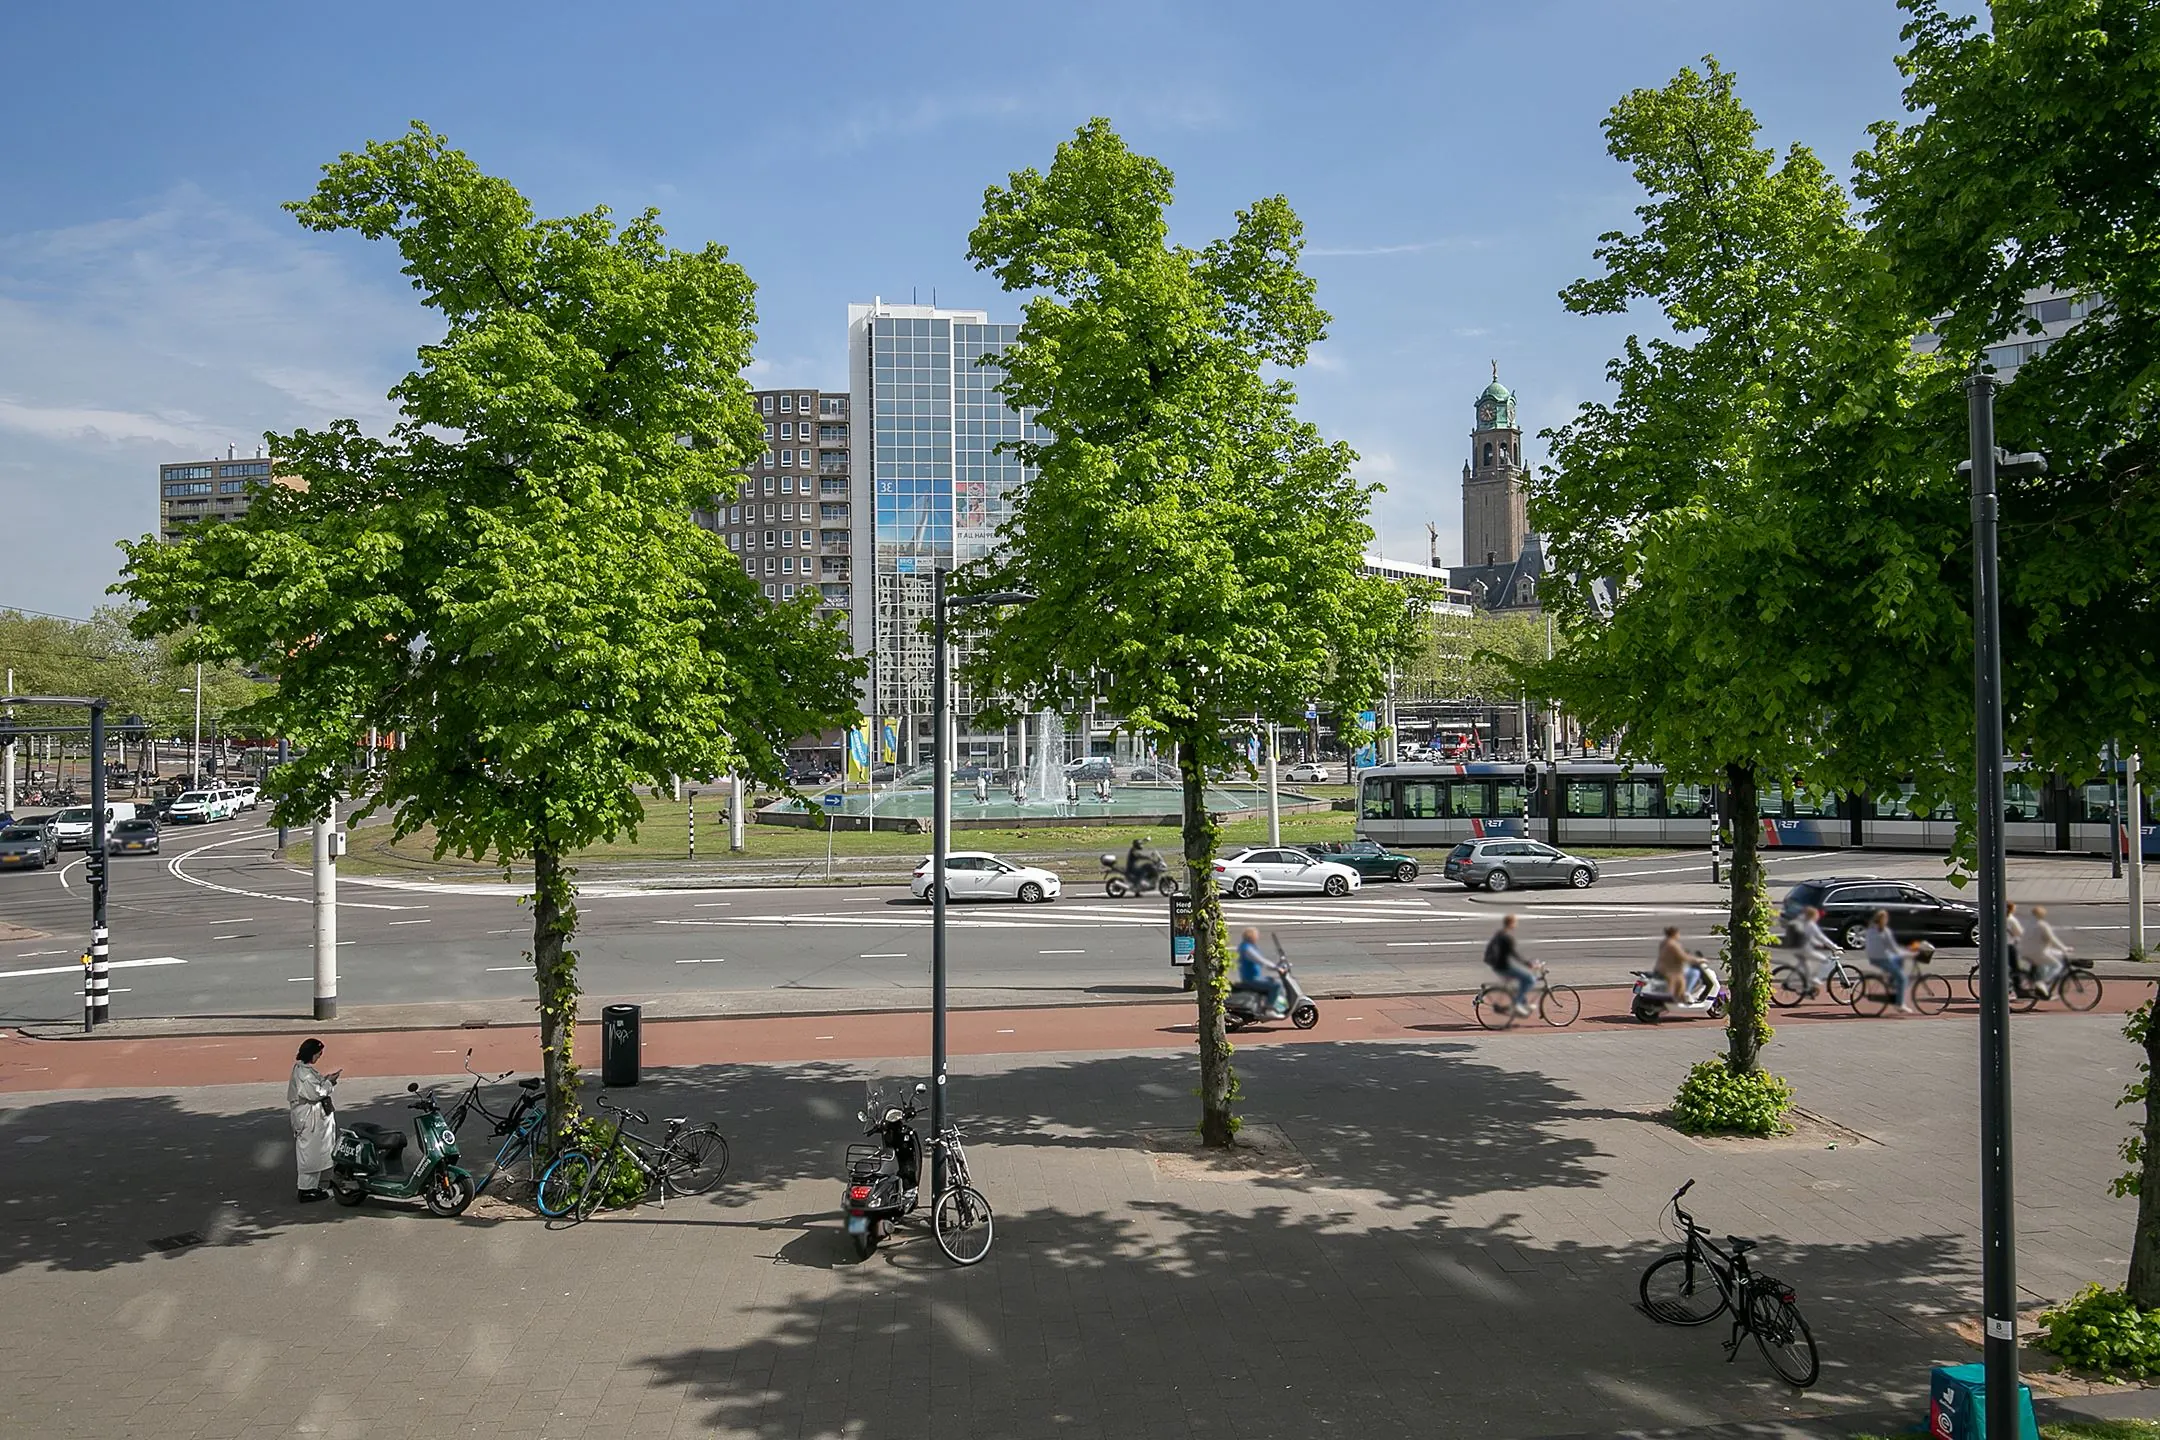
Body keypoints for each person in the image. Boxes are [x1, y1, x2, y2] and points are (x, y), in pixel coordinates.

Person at [287, 1038, 341, 1203]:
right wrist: (329, 1083)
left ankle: (314, 1185)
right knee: (310, 1153)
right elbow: (315, 1093)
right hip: (309, 1120)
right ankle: (306, 1189)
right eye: (318, 1054)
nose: (319, 1057)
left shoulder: (303, 1070)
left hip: (314, 1119)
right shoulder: (304, 1075)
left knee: (317, 1151)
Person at [1862, 909, 1918, 1013]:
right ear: (1883, 920)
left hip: (1873, 958)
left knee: (1899, 959)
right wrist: (1911, 954)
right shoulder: (1884, 931)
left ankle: (1892, 981)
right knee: (1902, 979)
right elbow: (1894, 949)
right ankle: (1899, 1004)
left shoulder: (1870, 930)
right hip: (1883, 959)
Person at [1485, 914, 1539, 1017]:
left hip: (1497, 966)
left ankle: (1522, 1002)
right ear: (1511, 923)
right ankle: (1517, 1004)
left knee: (1521, 981)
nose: (1516, 925)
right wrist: (1529, 964)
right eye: (1515, 922)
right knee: (1529, 979)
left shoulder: (1499, 934)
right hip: (1504, 967)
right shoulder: (1506, 937)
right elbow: (1514, 954)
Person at [1235, 927, 1285, 1015]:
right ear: (1251, 937)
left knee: (1272, 980)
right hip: (1251, 979)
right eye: (1256, 936)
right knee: (1276, 985)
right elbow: (1260, 960)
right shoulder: (1247, 949)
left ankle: (1268, 1004)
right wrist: (1276, 968)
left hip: (1254, 977)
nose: (1258, 937)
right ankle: (1269, 1009)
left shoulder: (1248, 946)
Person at [2030, 904, 2072, 994]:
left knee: (2057, 956)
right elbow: (2052, 939)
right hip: (2041, 951)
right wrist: (2064, 948)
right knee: (2058, 965)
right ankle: (2043, 983)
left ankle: (2045, 982)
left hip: (2035, 950)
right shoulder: (2042, 925)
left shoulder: (2031, 924)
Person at [1653, 926, 1696, 1000]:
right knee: (1693, 974)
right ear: (1674, 934)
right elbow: (1683, 957)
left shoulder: (1664, 942)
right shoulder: (1673, 944)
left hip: (1662, 967)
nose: (1679, 935)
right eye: (1678, 933)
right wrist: (1698, 960)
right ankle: (1684, 995)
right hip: (1669, 969)